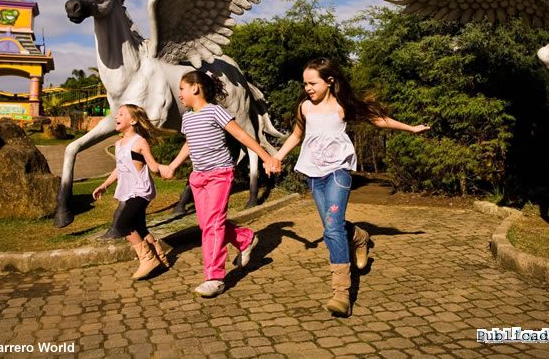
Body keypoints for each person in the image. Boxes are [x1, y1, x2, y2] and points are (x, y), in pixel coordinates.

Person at [273, 57, 429, 316]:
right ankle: (360, 237)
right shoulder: (304, 108)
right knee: (331, 225)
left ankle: (341, 295)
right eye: (305, 84)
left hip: (338, 172)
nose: (308, 88)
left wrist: (410, 129)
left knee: (332, 231)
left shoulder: (342, 106)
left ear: (329, 81)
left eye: (313, 83)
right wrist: (277, 157)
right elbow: (297, 136)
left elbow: (378, 120)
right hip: (313, 173)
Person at [161, 70, 281, 298]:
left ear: (195, 88)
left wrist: (267, 157)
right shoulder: (188, 117)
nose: (179, 94)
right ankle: (245, 238)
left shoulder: (216, 112)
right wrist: (173, 166)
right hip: (199, 177)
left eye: (182, 88)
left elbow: (243, 137)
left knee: (212, 227)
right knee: (208, 225)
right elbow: (189, 144)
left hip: (219, 174)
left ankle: (215, 278)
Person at [93, 104, 169, 280]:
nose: (116, 117)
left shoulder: (139, 142)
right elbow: (120, 168)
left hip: (141, 191)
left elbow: (152, 165)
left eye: (121, 114)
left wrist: (164, 168)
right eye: (116, 114)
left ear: (133, 120)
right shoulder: (118, 144)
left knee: (123, 225)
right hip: (129, 191)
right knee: (139, 227)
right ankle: (160, 259)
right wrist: (105, 185)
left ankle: (147, 259)